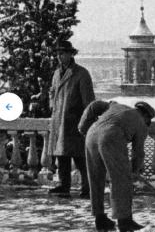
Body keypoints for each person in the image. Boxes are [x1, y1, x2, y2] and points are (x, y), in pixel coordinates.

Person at [78, 100, 155, 232]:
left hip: (91, 134)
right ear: (146, 116)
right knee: (121, 181)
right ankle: (124, 221)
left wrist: (83, 127)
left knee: (96, 179)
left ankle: (100, 218)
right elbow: (138, 153)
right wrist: (132, 171)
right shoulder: (141, 124)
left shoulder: (116, 105)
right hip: (111, 137)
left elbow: (94, 105)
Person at [48, 40, 95, 198]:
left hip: (75, 122)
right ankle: (63, 185)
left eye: (62, 53)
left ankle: (88, 188)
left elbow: (89, 102)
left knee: (80, 157)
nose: (59, 57)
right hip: (59, 121)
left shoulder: (81, 73)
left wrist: (86, 122)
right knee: (62, 156)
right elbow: (52, 92)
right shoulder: (56, 73)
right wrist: (52, 106)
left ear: (70, 54)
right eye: (57, 54)